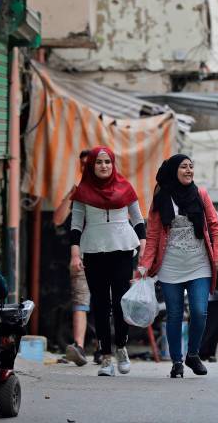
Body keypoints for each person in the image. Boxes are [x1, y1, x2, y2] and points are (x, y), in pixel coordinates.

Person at [139, 154, 218, 378]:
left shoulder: (201, 194)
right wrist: (144, 265)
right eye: (183, 167)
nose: (188, 171)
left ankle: (193, 354)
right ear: (173, 171)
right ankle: (177, 361)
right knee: (175, 314)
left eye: (191, 167)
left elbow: (215, 226)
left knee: (199, 310)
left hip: (199, 263)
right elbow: (154, 234)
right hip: (170, 265)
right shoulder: (161, 197)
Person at [69, 147, 146, 376]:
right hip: (93, 250)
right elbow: (75, 225)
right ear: (91, 166)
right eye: (99, 162)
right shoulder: (83, 191)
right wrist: (75, 254)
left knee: (121, 301)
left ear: (113, 164)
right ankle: (105, 356)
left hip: (122, 249)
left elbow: (138, 219)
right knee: (100, 304)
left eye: (107, 162)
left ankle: (121, 346)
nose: (103, 166)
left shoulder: (125, 187)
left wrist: (143, 246)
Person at [53, 150, 98, 367]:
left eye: (88, 164)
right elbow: (58, 219)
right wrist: (70, 195)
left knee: (105, 301)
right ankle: (79, 346)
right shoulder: (77, 192)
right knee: (80, 300)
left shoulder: (110, 189)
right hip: (80, 254)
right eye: (82, 165)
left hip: (106, 253)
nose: (85, 169)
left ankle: (103, 347)